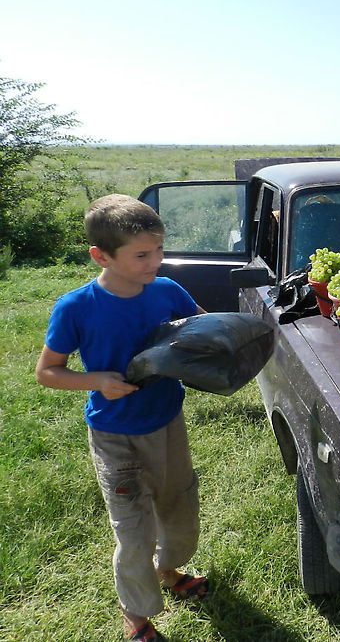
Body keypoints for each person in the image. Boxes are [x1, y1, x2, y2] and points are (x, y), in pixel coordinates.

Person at [35, 194, 209, 642]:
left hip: (167, 421)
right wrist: (98, 381)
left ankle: (169, 571)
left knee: (178, 506)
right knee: (133, 531)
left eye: (159, 250)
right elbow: (48, 373)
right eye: (142, 255)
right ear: (101, 255)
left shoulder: (167, 291)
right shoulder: (76, 307)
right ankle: (136, 612)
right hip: (115, 434)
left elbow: (200, 327)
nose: (157, 261)